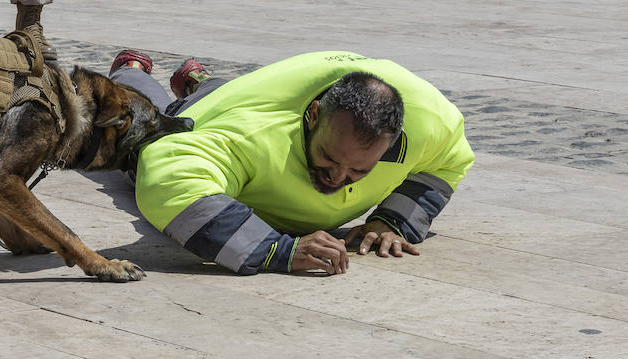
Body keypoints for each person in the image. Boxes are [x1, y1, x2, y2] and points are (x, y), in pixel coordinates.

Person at [109, 49, 473, 276]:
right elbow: (169, 179)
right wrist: (275, 250)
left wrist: (392, 221)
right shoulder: (253, 135)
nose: (339, 178)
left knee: (223, 90)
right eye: (328, 160)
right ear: (313, 115)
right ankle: (132, 71)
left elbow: (450, 161)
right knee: (141, 121)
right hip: (202, 117)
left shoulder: (432, 123)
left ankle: (200, 80)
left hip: (253, 90)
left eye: (360, 170)